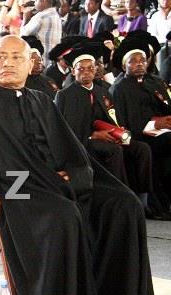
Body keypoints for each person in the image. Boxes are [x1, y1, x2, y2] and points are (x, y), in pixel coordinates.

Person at [0, 34, 171, 295]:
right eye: (0, 58)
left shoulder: (41, 99)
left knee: (123, 204)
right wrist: (50, 182)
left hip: (56, 182)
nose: (8, 63)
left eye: (16, 57)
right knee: (63, 214)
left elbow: (72, 150)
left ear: (31, 63)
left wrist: (75, 176)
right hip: (15, 188)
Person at [54, 43, 153, 199]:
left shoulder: (102, 92)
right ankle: (121, 193)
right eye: (81, 69)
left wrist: (119, 132)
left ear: (96, 70)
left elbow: (115, 117)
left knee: (141, 148)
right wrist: (93, 135)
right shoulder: (65, 95)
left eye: (90, 68)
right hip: (82, 141)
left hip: (108, 135)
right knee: (114, 150)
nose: (86, 72)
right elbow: (62, 128)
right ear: (73, 71)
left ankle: (143, 196)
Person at [110, 38, 171, 217]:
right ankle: (155, 204)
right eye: (134, 61)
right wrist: (154, 124)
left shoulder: (155, 82)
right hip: (138, 136)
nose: (139, 64)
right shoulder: (119, 89)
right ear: (124, 66)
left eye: (143, 60)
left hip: (162, 133)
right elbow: (124, 123)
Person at [20, 0, 62, 65]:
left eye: (36, 0)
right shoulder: (56, 15)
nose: (35, 4)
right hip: (53, 62)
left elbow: (23, 34)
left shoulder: (41, 16)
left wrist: (25, 18)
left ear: (44, 1)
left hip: (42, 61)